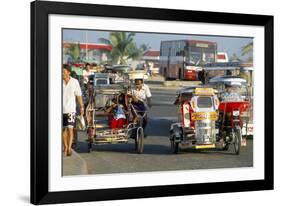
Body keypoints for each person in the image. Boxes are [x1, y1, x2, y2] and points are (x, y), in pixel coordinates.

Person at [63, 64, 84, 156]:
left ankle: (69, 147)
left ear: (68, 72)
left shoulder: (75, 82)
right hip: (60, 110)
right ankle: (65, 147)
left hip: (71, 109)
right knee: (63, 130)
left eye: (63, 72)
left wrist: (82, 107)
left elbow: (79, 95)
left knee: (70, 129)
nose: (62, 73)